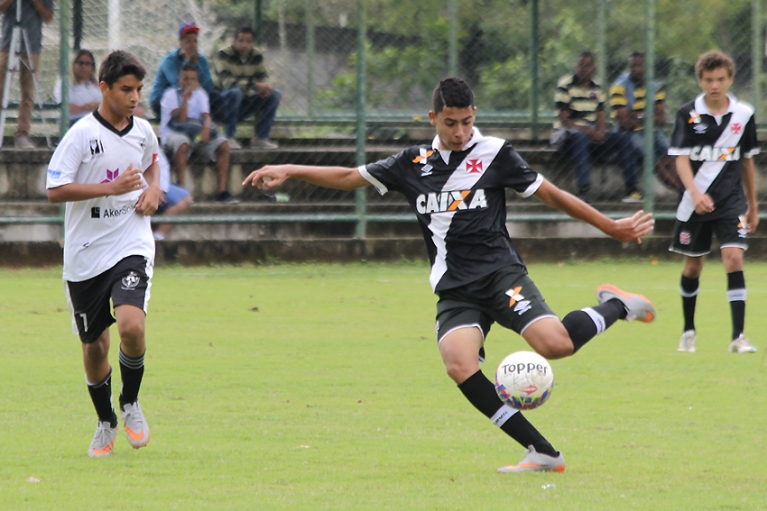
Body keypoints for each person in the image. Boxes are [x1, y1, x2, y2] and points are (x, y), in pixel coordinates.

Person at [243, 77, 657, 473]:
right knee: (459, 364)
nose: (460, 132)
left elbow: (553, 195)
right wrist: (290, 169)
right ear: (433, 119)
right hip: (456, 287)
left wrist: (610, 226)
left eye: (467, 121)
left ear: (475, 115)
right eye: (450, 123)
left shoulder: (494, 153)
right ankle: (543, 452)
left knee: (556, 345)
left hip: (500, 276)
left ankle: (617, 305)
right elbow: (350, 177)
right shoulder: (412, 163)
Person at [46, 50, 162, 457]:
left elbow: (152, 162)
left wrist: (154, 188)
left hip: (130, 242)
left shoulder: (143, 130)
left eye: (139, 89)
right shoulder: (80, 135)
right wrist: (109, 189)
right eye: (126, 89)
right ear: (104, 88)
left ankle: (130, 402)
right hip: (85, 254)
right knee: (95, 346)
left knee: (131, 325)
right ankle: (105, 420)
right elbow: (55, 190)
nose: (134, 97)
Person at [668, 51, 759, 354]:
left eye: (721, 79)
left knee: (734, 259)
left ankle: (738, 337)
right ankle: (688, 332)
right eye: (709, 80)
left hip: (732, 202)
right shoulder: (688, 114)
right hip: (694, 203)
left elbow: (747, 161)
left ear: (730, 79)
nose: (715, 85)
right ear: (700, 80)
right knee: (693, 266)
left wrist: (753, 205)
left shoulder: (744, 114)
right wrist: (695, 193)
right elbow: (680, 159)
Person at [551, 51, 643, 204]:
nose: (584, 69)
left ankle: (632, 189)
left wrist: (600, 132)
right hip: (568, 134)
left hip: (591, 133)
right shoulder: (565, 84)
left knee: (624, 140)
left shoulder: (597, 86)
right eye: (581, 65)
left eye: (588, 65)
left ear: (593, 68)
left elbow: (600, 114)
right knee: (579, 137)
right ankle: (584, 190)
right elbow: (563, 117)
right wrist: (587, 132)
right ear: (576, 66)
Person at [160, 63, 238, 204]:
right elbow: (181, 119)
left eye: (193, 79)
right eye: (186, 79)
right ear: (179, 79)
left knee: (223, 145)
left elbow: (206, 116)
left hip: (195, 133)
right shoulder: (170, 95)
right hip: (174, 132)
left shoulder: (201, 94)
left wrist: (206, 128)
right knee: (182, 143)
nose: (189, 82)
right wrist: (185, 97)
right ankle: (182, 192)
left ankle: (222, 192)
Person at [610, 52, 680, 194]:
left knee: (671, 156)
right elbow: (625, 123)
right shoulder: (619, 87)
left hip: (652, 131)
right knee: (654, 159)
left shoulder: (655, 87)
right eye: (632, 66)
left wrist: (638, 116)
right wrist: (649, 116)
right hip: (630, 134)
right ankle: (683, 192)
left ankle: (687, 190)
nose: (635, 69)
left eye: (639, 65)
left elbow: (661, 119)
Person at [211, 25, 281, 150]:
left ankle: (261, 138)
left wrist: (265, 87)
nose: (244, 45)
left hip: (243, 101)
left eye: (249, 41)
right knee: (235, 92)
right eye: (241, 40)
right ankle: (229, 137)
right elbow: (228, 83)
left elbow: (263, 76)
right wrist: (255, 86)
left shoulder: (256, 55)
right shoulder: (223, 54)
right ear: (234, 40)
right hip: (222, 103)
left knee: (275, 94)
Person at [134, 103, 193, 240]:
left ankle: (158, 236)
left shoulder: (149, 138)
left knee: (185, 198)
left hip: (155, 186)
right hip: (134, 188)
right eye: (135, 117)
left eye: (142, 118)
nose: (140, 122)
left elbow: (162, 165)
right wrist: (148, 189)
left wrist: (159, 189)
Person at [0, 0, 54, 148]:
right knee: (1, 87)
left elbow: (48, 16)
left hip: (31, 44)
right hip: (8, 42)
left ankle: (22, 133)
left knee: (28, 91)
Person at [53, 49, 103, 127]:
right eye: (80, 63)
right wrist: (89, 107)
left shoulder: (98, 85)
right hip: (74, 122)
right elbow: (67, 108)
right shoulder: (65, 84)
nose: (84, 67)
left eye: (88, 64)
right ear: (73, 64)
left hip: (97, 121)